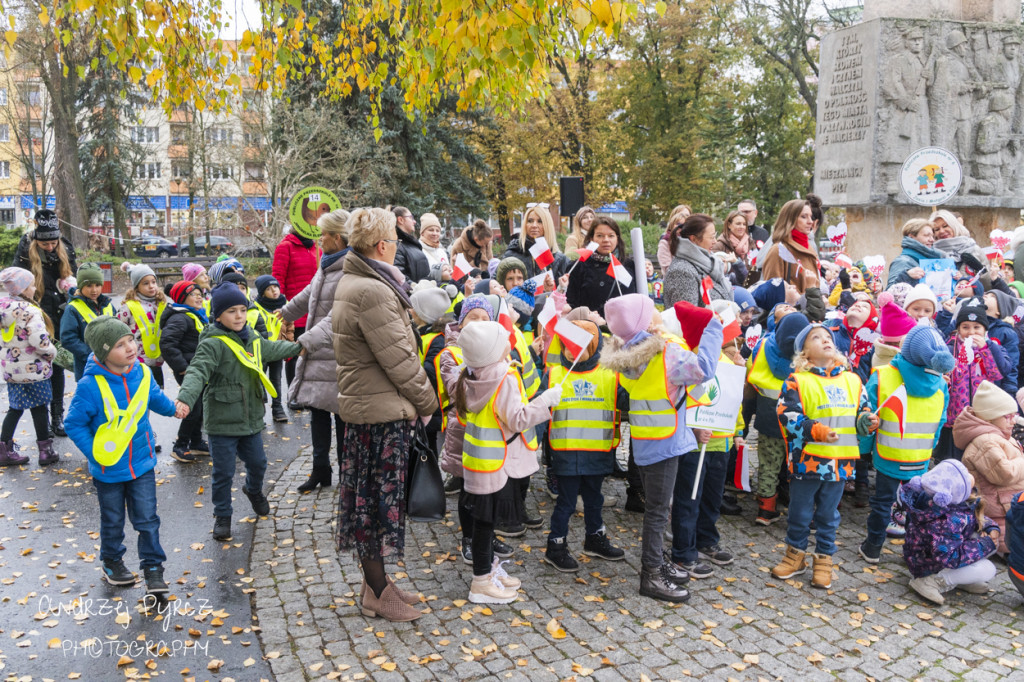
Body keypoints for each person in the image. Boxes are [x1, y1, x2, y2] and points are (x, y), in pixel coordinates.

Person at [331, 207, 439, 622]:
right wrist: (429, 405)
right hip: (379, 414)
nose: (397, 248)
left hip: (371, 408)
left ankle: (376, 584)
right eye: (395, 241)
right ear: (382, 246)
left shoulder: (359, 279)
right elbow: (401, 362)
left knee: (370, 503)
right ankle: (377, 591)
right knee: (375, 506)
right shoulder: (372, 290)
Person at [601, 293, 722, 603]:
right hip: (666, 443)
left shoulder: (629, 352)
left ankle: (658, 564)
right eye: (653, 312)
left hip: (648, 440)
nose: (660, 315)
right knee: (657, 512)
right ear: (644, 322)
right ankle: (651, 574)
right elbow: (705, 368)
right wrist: (712, 328)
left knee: (658, 508)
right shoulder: (666, 353)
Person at [64, 316, 185, 593]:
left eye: (130, 339)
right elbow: (74, 423)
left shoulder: (141, 373)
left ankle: (153, 568)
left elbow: (153, 397)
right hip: (108, 470)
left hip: (141, 463)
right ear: (104, 353)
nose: (130, 347)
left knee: (147, 518)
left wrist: (173, 409)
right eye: (120, 345)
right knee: (113, 519)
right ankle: (112, 561)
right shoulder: (89, 386)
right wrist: (95, 453)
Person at [176, 283, 303, 542]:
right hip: (222, 422)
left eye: (242, 310)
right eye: (231, 311)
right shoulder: (213, 344)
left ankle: (253, 490)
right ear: (218, 315)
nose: (239, 316)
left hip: (251, 419)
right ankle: (223, 516)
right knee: (223, 473)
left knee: (258, 463)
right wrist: (185, 398)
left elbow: (273, 349)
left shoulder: (253, 338)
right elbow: (197, 370)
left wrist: (301, 347)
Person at [453, 321, 561, 602]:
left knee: (483, 522)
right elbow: (518, 419)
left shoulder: (472, 374)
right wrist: (546, 401)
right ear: (492, 350)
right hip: (496, 463)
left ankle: (488, 570)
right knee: (485, 525)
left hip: (479, 462)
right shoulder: (503, 376)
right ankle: (481, 583)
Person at [772, 324, 877, 589]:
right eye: (816, 338)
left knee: (829, 515)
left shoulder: (853, 380)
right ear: (804, 352)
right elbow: (788, 414)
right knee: (799, 511)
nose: (825, 340)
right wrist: (816, 430)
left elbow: (862, 411)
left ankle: (824, 559)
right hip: (808, 459)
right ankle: (795, 556)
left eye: (828, 337)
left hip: (840, 461)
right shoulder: (797, 380)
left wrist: (867, 420)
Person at [859, 326, 952, 564]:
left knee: (882, 503)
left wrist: (864, 448)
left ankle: (872, 548)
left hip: (888, 454)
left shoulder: (883, 375)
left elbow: (869, 414)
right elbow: (941, 420)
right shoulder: (941, 384)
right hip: (920, 457)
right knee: (915, 508)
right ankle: (913, 551)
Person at [543, 319, 625, 572]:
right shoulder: (554, 374)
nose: (572, 352)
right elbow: (537, 406)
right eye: (568, 346)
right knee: (566, 502)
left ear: (594, 347)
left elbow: (627, 401)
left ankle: (594, 537)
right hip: (566, 455)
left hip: (597, 453)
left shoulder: (611, 374)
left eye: (580, 346)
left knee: (594, 499)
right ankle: (555, 546)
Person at [279, 210, 351, 492]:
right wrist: (284, 312)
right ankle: (321, 469)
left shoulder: (350, 267)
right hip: (319, 353)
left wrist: (305, 341)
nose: (319, 239)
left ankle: (348, 473)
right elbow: (311, 293)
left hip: (338, 354)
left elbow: (339, 316)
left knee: (343, 418)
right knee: (318, 412)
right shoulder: (328, 263)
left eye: (323, 234)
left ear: (337, 237)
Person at [13, 209, 78, 437]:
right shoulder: (25, 250)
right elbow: (17, 282)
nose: (50, 247)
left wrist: (70, 287)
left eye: (53, 243)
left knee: (57, 364)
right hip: (35, 314)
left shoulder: (66, 248)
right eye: (45, 244)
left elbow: (74, 277)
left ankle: (57, 416)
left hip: (59, 313)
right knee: (39, 367)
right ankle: (43, 420)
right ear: (37, 241)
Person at [898, 460, 999, 604]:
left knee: (989, 543)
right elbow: (950, 556)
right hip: (927, 565)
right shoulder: (946, 520)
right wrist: (985, 544)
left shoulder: (947, 502)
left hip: (935, 555)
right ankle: (932, 581)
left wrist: (990, 528)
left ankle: (961, 578)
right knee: (988, 569)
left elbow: (971, 517)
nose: (970, 476)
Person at [748, 311, 807, 524]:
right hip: (798, 421)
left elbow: (750, 369)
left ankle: (766, 508)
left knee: (768, 463)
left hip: (768, 416)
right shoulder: (808, 355)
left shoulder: (763, 346)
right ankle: (802, 512)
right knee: (799, 466)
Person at [957, 381, 1024, 554]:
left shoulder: (998, 434)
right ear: (990, 417)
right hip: (999, 514)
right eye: (1007, 416)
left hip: (1009, 507)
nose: (1013, 420)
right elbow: (1005, 474)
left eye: (1013, 415)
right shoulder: (986, 441)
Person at [0, 267, 58, 466]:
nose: (34, 288)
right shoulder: (30, 310)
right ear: (23, 289)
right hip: (35, 370)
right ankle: (45, 451)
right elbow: (39, 341)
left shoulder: (3, 308)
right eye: (32, 285)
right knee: (40, 408)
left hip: (12, 371)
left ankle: (3, 449)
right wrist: (52, 352)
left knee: (15, 408)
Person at [940, 299, 1009, 461]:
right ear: (958, 329)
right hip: (955, 413)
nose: (971, 332)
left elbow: (998, 373)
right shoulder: (950, 347)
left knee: (976, 456)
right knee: (952, 456)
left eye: (977, 327)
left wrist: (986, 349)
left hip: (982, 415)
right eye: (965, 327)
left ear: (985, 329)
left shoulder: (993, 347)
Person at [159, 281, 209, 464]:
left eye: (200, 293)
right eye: (193, 294)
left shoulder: (195, 315)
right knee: (193, 408)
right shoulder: (179, 318)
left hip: (198, 369)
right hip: (188, 370)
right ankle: (180, 444)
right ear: (182, 298)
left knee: (200, 406)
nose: (199, 297)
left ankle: (196, 442)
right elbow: (166, 344)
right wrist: (182, 367)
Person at [272, 223, 321, 409]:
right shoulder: (285, 247)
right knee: (294, 354)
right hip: (295, 310)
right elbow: (278, 278)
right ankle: (294, 394)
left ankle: (310, 393)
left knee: (313, 353)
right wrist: (282, 308)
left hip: (315, 311)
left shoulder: (317, 248)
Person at [758, 197, 825, 320]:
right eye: (804, 217)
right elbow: (773, 295)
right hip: (790, 319)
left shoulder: (809, 248)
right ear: (790, 219)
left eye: (810, 216)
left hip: (811, 316)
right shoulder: (778, 250)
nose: (810, 221)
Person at [565, 216, 637, 316]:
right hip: (589, 327)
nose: (606, 240)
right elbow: (570, 304)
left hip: (623, 327)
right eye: (600, 236)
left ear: (617, 238)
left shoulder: (628, 265)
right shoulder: (578, 266)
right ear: (591, 239)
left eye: (611, 236)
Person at [61, 263, 116, 382]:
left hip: (111, 365)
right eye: (89, 285)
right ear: (80, 286)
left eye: (97, 285)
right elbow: (68, 338)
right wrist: (91, 355)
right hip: (87, 367)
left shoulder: (108, 305)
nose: (94, 290)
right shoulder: (73, 309)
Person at [663, 214, 733, 308]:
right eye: (711, 237)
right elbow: (688, 317)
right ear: (694, 239)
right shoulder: (682, 271)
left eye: (715, 236)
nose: (715, 241)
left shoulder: (708, 265)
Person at [117, 264, 167, 390]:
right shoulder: (128, 307)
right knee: (140, 394)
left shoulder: (161, 304)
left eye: (153, 282)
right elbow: (118, 330)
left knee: (156, 394)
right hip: (137, 361)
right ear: (136, 287)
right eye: (145, 283)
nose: (151, 286)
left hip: (157, 360)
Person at [253, 274, 292, 422]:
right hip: (261, 351)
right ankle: (258, 411)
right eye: (269, 289)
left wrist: (289, 346)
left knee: (276, 379)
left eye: (275, 287)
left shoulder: (285, 305)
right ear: (262, 292)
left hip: (277, 349)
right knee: (258, 381)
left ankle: (277, 408)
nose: (274, 291)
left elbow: (289, 327)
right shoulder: (256, 307)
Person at [502, 205, 567, 279]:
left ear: (547, 225)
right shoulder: (512, 254)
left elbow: (565, 289)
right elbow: (497, 282)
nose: (534, 225)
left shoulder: (559, 259)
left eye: (540, 221)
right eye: (530, 221)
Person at [887, 219, 944, 287]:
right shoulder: (902, 262)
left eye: (932, 236)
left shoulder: (935, 261)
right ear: (911, 237)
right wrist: (907, 276)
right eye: (926, 235)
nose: (932, 240)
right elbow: (890, 292)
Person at [711, 210, 754, 285]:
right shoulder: (719, 245)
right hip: (730, 288)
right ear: (729, 225)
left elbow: (755, 266)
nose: (742, 227)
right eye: (738, 224)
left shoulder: (751, 243)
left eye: (744, 224)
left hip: (751, 285)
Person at [392, 206, 431, 282]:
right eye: (411, 217)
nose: (414, 221)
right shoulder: (398, 245)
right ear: (401, 220)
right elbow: (399, 277)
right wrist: (416, 288)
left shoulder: (410, 244)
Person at [657, 204, 691, 272]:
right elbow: (667, 268)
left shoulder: (692, 240)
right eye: (678, 223)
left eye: (687, 215)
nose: (681, 226)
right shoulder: (666, 241)